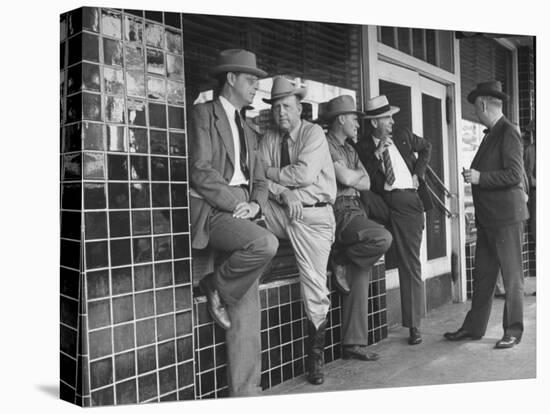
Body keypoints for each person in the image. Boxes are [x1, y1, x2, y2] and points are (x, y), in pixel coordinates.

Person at [188, 49, 279, 396]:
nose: (256, 85)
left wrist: (255, 205)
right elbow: (200, 170)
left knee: (246, 305)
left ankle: (246, 391)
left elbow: (260, 181)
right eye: (251, 79)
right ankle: (214, 285)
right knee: (265, 244)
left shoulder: (250, 127)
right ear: (231, 79)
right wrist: (234, 203)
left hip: (244, 211)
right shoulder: (202, 114)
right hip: (215, 210)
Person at [258, 76, 336, 385]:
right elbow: (258, 179)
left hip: (314, 217)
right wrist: (281, 193)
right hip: (282, 210)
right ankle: (234, 277)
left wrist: (274, 177)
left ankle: (315, 357)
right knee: (247, 208)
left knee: (314, 289)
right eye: (276, 106)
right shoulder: (268, 139)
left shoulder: (313, 132)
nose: (281, 113)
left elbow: (303, 174)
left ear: (299, 107)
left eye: (287, 106)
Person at [444, 81, 528, 349]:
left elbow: (515, 174)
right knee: (483, 276)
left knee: (512, 276)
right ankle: (473, 328)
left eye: (475, 107)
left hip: (505, 218)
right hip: (490, 219)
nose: (475, 113)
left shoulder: (508, 132)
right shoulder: (493, 133)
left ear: (482, 104)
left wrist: (480, 177)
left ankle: (513, 331)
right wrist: (478, 176)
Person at [355, 95, 433, 346]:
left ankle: (414, 325)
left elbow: (427, 147)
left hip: (409, 201)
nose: (391, 121)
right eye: (387, 117)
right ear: (375, 122)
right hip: (384, 204)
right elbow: (361, 176)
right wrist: (376, 155)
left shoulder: (403, 134)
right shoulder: (364, 146)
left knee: (409, 263)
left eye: (390, 117)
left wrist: (418, 175)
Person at [322, 95, 392, 361]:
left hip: (355, 209)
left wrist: (354, 178)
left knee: (359, 271)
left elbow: (365, 182)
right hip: (339, 211)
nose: (357, 125)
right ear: (341, 119)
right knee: (381, 238)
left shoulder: (350, 149)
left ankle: (353, 343)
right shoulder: (325, 145)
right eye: (354, 119)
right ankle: (339, 257)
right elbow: (346, 178)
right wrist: (353, 179)